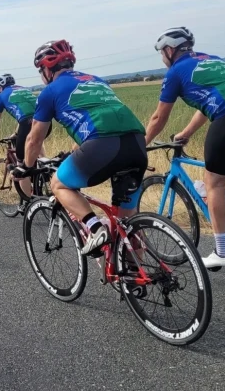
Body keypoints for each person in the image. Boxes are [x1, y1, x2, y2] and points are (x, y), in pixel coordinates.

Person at [144, 27, 225, 268]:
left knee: (213, 182)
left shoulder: (175, 72)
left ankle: (222, 252)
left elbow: (158, 118)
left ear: (170, 50)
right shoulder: (210, 59)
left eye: (162, 52)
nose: (162, 58)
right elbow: (208, 103)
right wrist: (186, 133)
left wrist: (141, 145)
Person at [15, 40, 148, 257]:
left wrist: (26, 167)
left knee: (58, 183)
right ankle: (139, 273)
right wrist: (73, 152)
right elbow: (96, 116)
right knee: (127, 223)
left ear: (47, 69)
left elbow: (34, 140)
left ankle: (95, 229)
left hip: (102, 146)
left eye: (40, 70)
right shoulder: (97, 81)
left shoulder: (49, 92)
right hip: (137, 144)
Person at [0, 73, 48, 197]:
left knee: (21, 168)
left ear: (0, 87)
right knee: (37, 143)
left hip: (27, 125)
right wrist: (16, 133)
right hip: (45, 123)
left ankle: (29, 202)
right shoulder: (23, 89)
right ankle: (45, 166)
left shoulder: (1, 96)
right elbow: (28, 114)